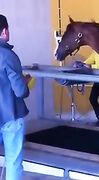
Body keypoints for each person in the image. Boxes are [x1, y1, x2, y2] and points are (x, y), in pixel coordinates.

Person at [0, 14, 31, 180]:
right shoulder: (8, 56)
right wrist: (25, 81)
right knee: (13, 161)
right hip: (10, 116)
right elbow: (20, 92)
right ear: (5, 31)